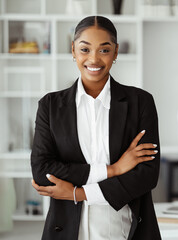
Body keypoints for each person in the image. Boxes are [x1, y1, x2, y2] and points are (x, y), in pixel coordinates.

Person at [30, 16, 161, 240]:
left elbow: (147, 175)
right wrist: (114, 170)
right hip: (66, 232)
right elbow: (42, 172)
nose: (94, 59)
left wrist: (78, 193)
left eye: (104, 50)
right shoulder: (50, 106)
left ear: (116, 52)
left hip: (124, 231)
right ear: (73, 50)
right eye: (85, 49)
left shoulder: (140, 102)